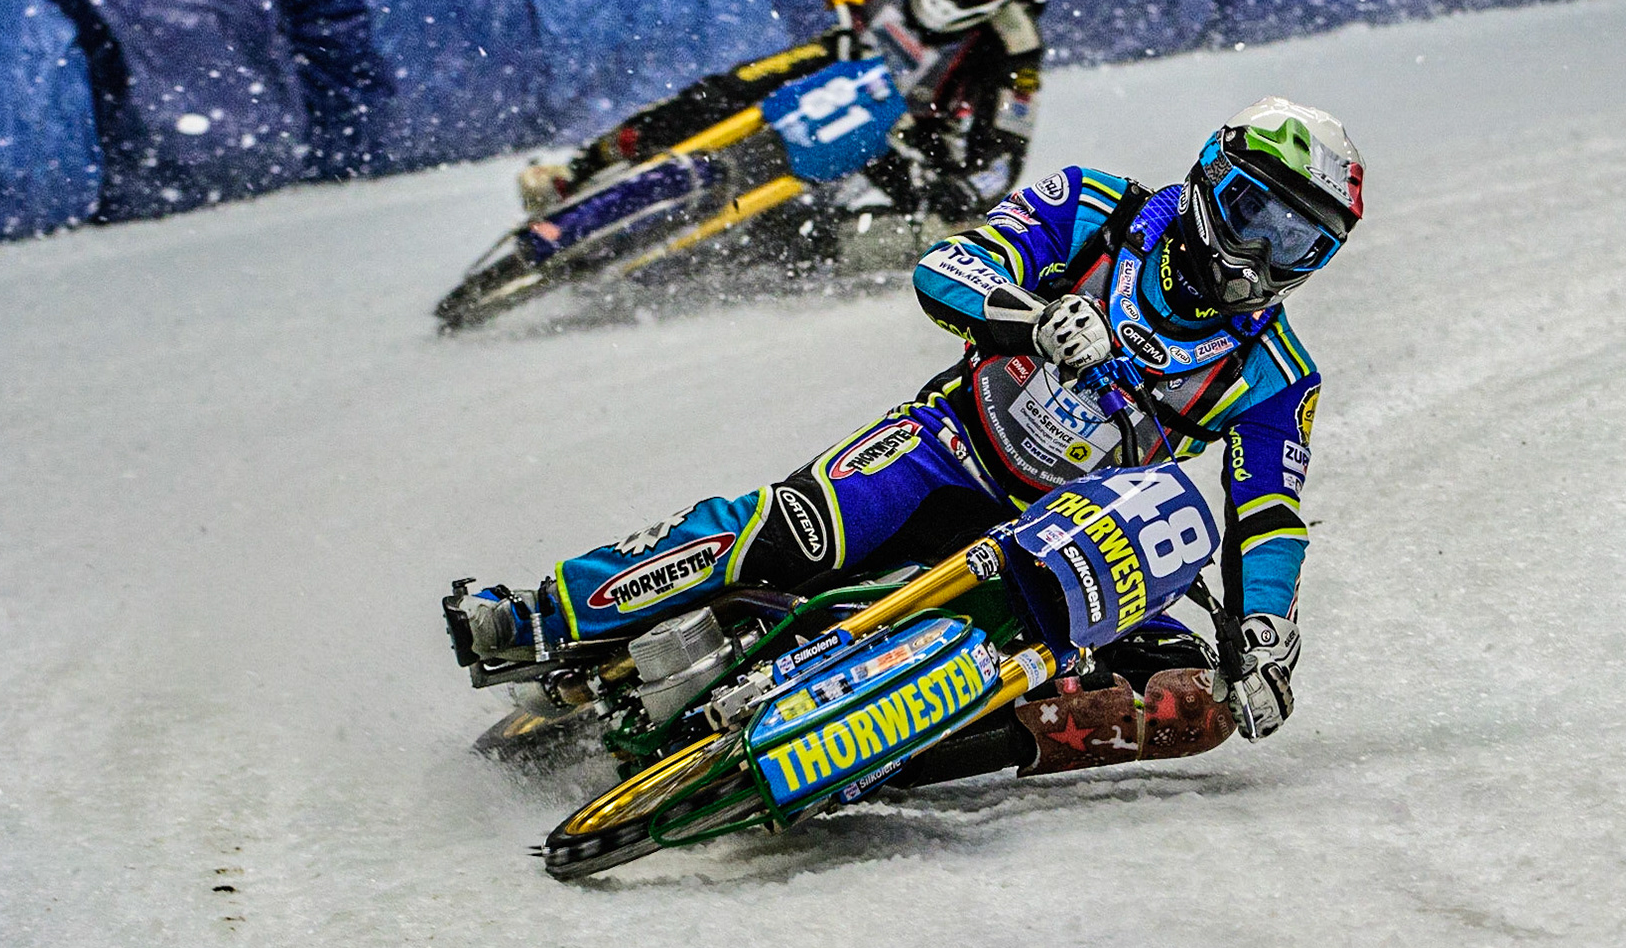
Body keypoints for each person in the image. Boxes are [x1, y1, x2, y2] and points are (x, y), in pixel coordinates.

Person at [450, 97, 1364, 744]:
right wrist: (1032, 321)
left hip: (1065, 541)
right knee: (792, 533)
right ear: (1211, 176)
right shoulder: (1095, 205)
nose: (1262, 256)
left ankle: (897, 754)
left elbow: (1268, 515)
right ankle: (542, 614)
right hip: (949, 446)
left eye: (1299, 241)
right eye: (1255, 214)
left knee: (1172, 690)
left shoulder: (1279, 375)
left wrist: (1264, 637)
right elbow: (947, 267)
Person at [515, 0, 1050, 262]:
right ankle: (580, 172)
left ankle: (757, 259)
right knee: (716, 95)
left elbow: (1001, 158)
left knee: (949, 230)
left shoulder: (1016, 42)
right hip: (841, 56)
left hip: (907, 132)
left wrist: (956, 187)